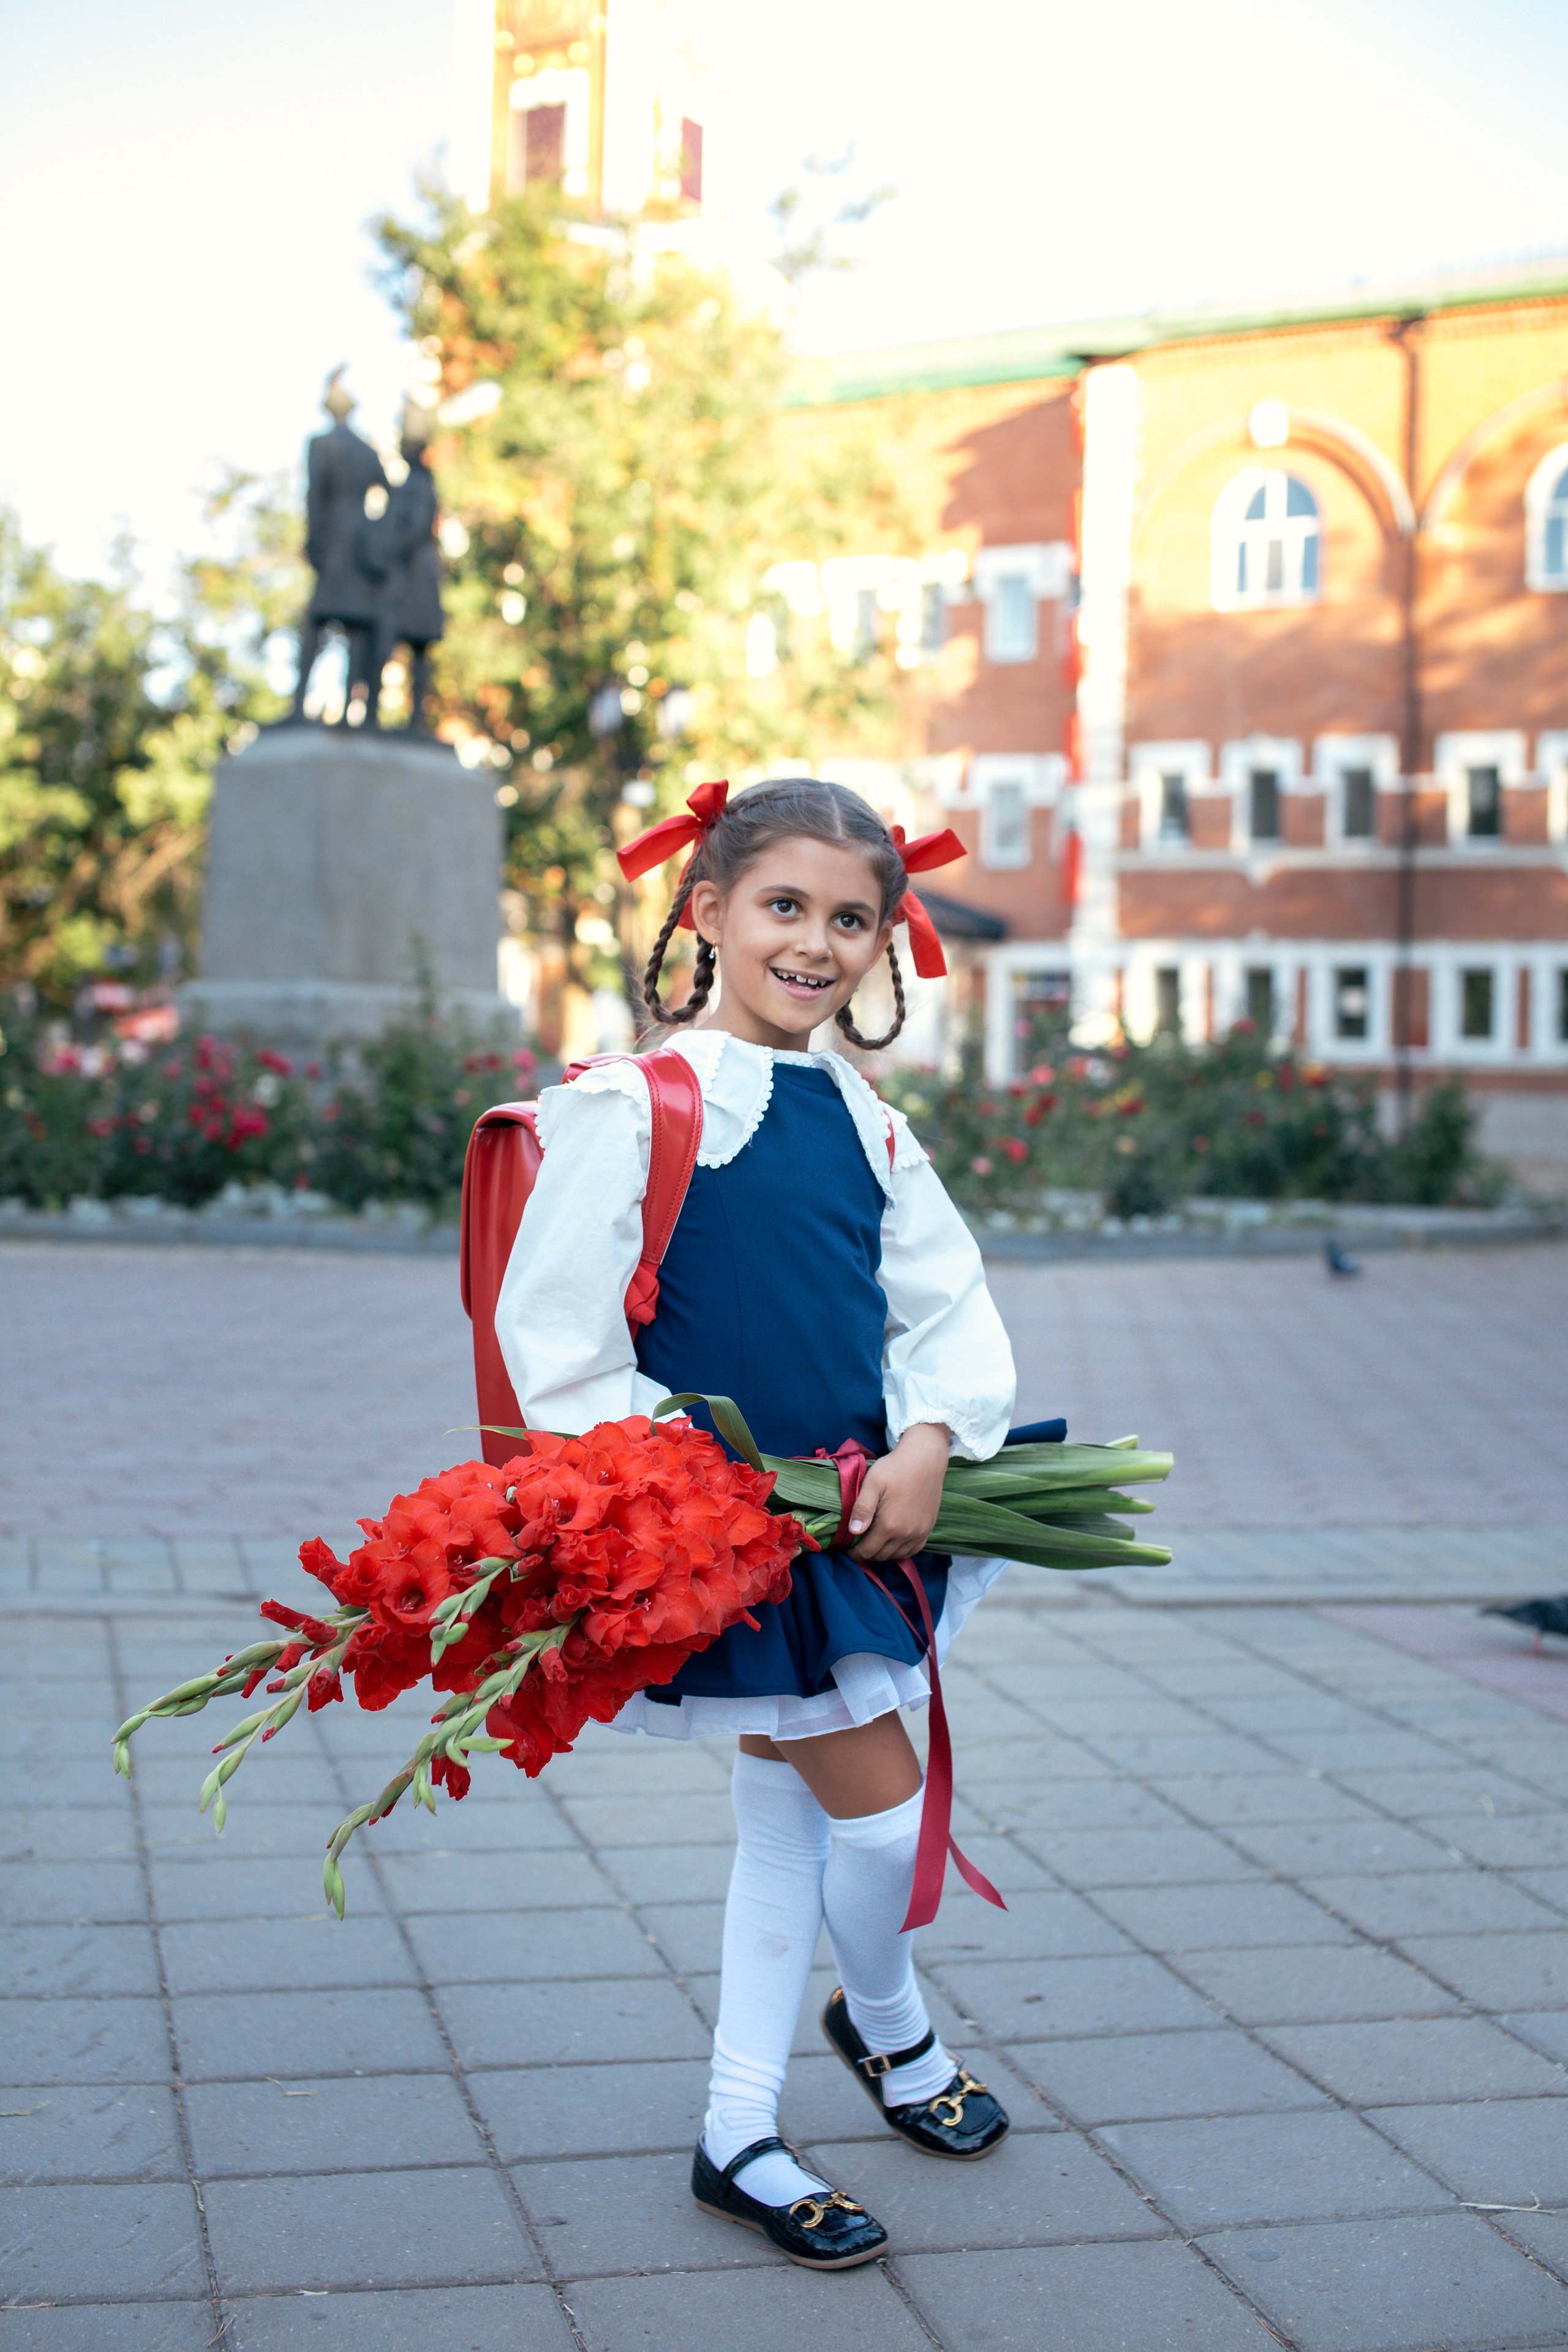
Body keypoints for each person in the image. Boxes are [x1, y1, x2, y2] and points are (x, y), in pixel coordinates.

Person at [495, 777, 1019, 2270]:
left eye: (849, 919)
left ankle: (740, 2128)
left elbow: (942, 1300)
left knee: (790, 1825)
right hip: (723, 1530)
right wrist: (692, 1488)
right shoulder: (632, 1107)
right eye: (783, 907)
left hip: (855, 1523)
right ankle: (892, 2025)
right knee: (882, 1809)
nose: (815, 943)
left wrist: (928, 1437)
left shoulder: (865, 1120)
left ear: (883, 944)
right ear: (708, 911)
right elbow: (563, 1344)